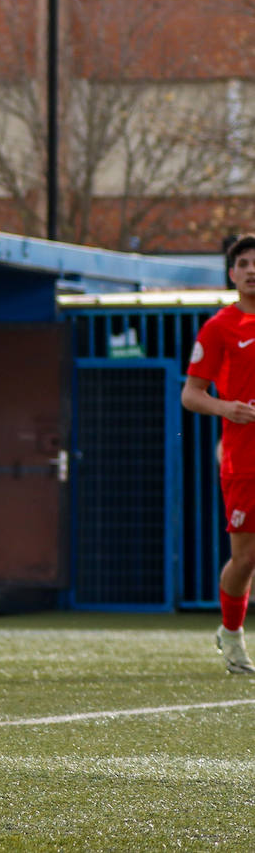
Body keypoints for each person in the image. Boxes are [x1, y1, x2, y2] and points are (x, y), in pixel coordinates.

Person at [182, 233, 255, 676]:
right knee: (245, 558)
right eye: (243, 263)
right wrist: (226, 407)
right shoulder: (219, 327)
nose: (252, 269)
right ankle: (231, 634)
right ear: (232, 274)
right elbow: (191, 395)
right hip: (242, 459)